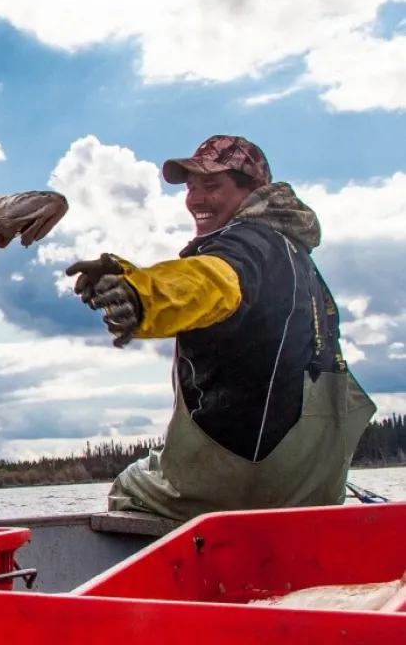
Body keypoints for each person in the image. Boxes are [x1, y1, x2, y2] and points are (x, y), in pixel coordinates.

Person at [64, 135, 375, 522]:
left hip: (244, 477)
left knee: (129, 488)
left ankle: (166, 579)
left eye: (212, 186)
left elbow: (215, 282)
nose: (195, 199)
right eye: (192, 188)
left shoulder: (244, 245)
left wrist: (141, 293)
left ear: (252, 192)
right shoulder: (296, 257)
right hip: (315, 485)